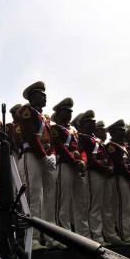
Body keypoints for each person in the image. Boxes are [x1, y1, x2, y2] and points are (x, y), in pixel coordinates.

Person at [18, 81, 56, 251]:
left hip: (46, 159)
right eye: (41, 94)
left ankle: (49, 237)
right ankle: (32, 238)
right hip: (32, 156)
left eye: (45, 94)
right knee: (34, 198)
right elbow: (30, 135)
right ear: (32, 96)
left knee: (48, 199)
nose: (45, 96)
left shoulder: (45, 118)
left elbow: (51, 140)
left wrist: (53, 154)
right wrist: (44, 155)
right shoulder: (27, 111)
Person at [74, 111, 119, 244]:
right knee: (95, 206)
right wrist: (104, 169)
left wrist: (110, 167)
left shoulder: (98, 140)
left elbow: (107, 157)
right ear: (82, 124)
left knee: (107, 206)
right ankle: (96, 234)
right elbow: (89, 158)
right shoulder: (82, 137)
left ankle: (109, 233)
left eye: (93, 121)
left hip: (105, 173)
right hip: (94, 173)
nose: (93, 123)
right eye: (90, 121)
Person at [51, 98, 89, 243]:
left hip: (78, 166)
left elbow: (82, 150)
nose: (70, 113)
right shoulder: (55, 128)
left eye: (71, 111)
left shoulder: (73, 131)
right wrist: (75, 162)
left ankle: (84, 236)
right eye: (67, 111)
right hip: (65, 165)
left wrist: (83, 162)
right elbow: (60, 147)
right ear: (59, 113)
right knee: (63, 202)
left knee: (81, 204)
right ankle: (65, 235)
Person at [107, 119, 130, 244]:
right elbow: (118, 164)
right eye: (121, 130)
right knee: (123, 207)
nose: (123, 132)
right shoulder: (111, 146)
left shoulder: (125, 147)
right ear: (113, 132)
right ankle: (124, 234)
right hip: (121, 177)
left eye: (123, 130)